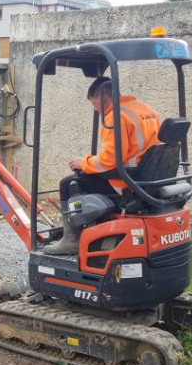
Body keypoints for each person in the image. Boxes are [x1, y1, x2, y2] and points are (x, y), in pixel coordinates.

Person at [44, 77, 161, 255]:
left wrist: (83, 162)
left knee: (68, 184)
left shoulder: (115, 117)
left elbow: (111, 160)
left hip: (126, 183)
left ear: (104, 98)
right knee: (87, 177)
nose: (96, 109)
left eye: (94, 104)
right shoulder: (146, 110)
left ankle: (71, 240)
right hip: (146, 179)